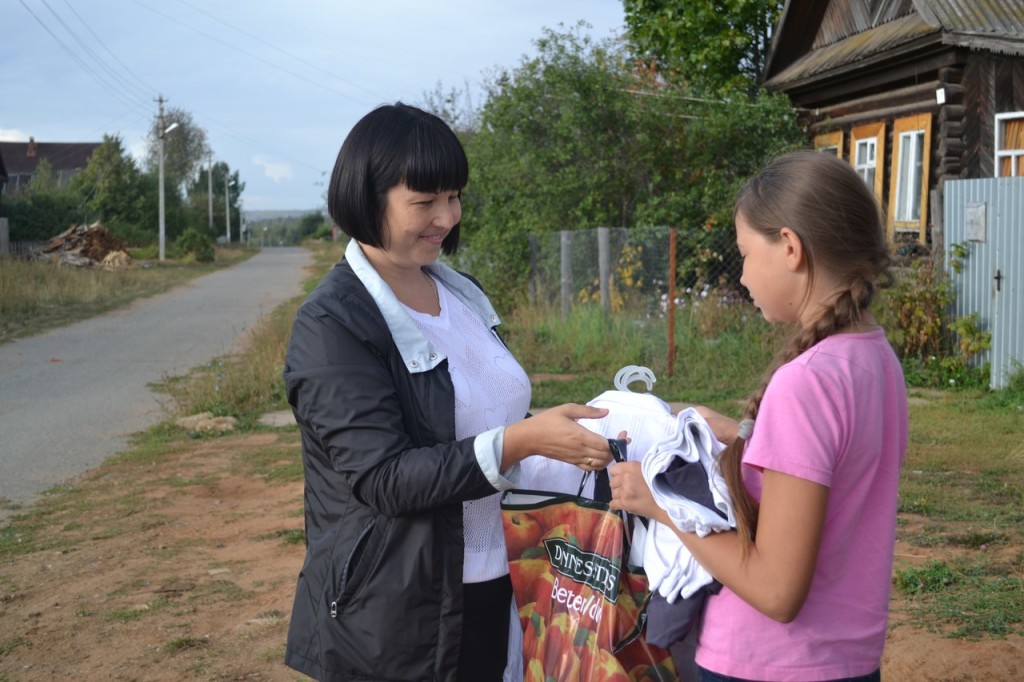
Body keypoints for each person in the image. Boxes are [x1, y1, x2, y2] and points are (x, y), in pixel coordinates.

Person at [282, 102, 614, 682]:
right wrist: (520, 440)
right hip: (396, 612)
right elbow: (384, 477)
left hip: (502, 576)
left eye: (454, 196)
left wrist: (549, 434)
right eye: (425, 202)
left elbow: (480, 416)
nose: (447, 217)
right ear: (368, 196)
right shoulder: (333, 324)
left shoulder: (459, 295)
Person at [609, 150, 908, 682]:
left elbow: (776, 591)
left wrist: (661, 503)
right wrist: (748, 435)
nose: (743, 275)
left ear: (790, 247)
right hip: (848, 661)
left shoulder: (806, 382)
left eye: (746, 254)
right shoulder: (874, 356)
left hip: (766, 662)